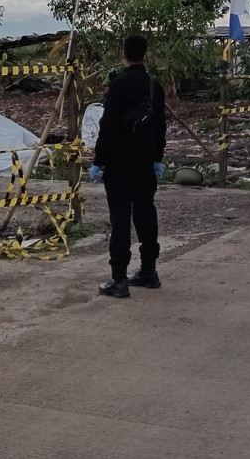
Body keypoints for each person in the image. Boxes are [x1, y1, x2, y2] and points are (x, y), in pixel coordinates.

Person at [91, 34, 168, 299]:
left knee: (121, 219)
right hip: (146, 162)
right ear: (144, 54)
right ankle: (149, 271)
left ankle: (119, 279)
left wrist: (98, 161)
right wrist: (157, 158)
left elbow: (107, 126)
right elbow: (160, 127)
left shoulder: (118, 85)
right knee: (146, 213)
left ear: (123, 53)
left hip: (119, 163)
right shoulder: (153, 86)